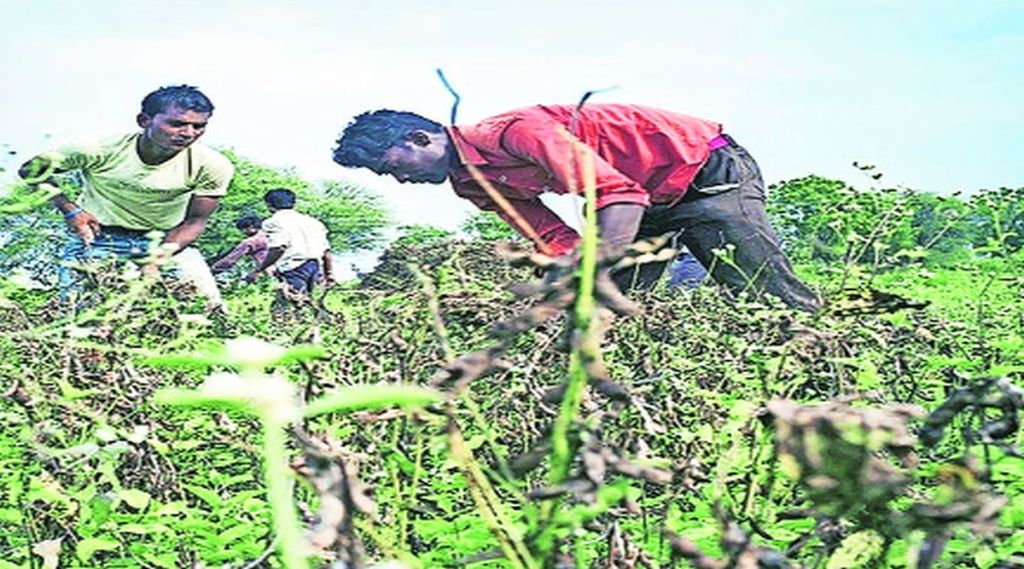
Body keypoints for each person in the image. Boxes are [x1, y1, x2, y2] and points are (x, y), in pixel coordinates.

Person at [332, 104, 818, 311]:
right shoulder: (472, 185)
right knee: (606, 299)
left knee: (759, 286)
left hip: (702, 170)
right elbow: (554, 237)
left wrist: (596, 258)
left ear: (421, 138)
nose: (398, 180)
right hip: (636, 198)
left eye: (392, 166)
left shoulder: (516, 132)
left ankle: (823, 371)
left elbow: (618, 194)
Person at [17, 84, 232, 306]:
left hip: (166, 242)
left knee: (207, 308)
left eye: (198, 126)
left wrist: (156, 260)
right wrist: (71, 211)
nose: (188, 133)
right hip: (98, 239)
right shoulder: (96, 148)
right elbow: (30, 171)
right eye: (176, 124)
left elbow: (196, 221)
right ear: (144, 121)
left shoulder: (212, 165)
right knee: (79, 313)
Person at [245, 189, 334, 301]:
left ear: (269, 205)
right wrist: (329, 273)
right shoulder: (314, 222)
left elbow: (279, 248)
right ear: (293, 203)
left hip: (293, 266)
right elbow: (326, 251)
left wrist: (258, 270)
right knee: (311, 303)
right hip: (315, 266)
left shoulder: (273, 222)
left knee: (292, 305)